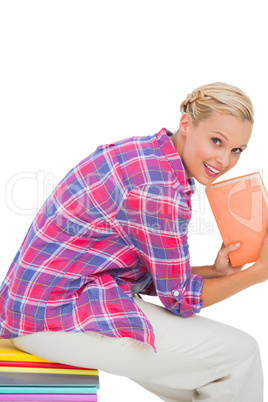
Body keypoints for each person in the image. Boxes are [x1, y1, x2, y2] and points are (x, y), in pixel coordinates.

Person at [0, 82, 267, 402]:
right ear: (186, 125)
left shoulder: (149, 154)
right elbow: (179, 300)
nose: (224, 160)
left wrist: (214, 270)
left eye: (236, 150)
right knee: (240, 357)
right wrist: (258, 272)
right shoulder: (160, 188)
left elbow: (149, 273)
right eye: (216, 141)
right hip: (52, 316)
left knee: (204, 381)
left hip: (40, 300)